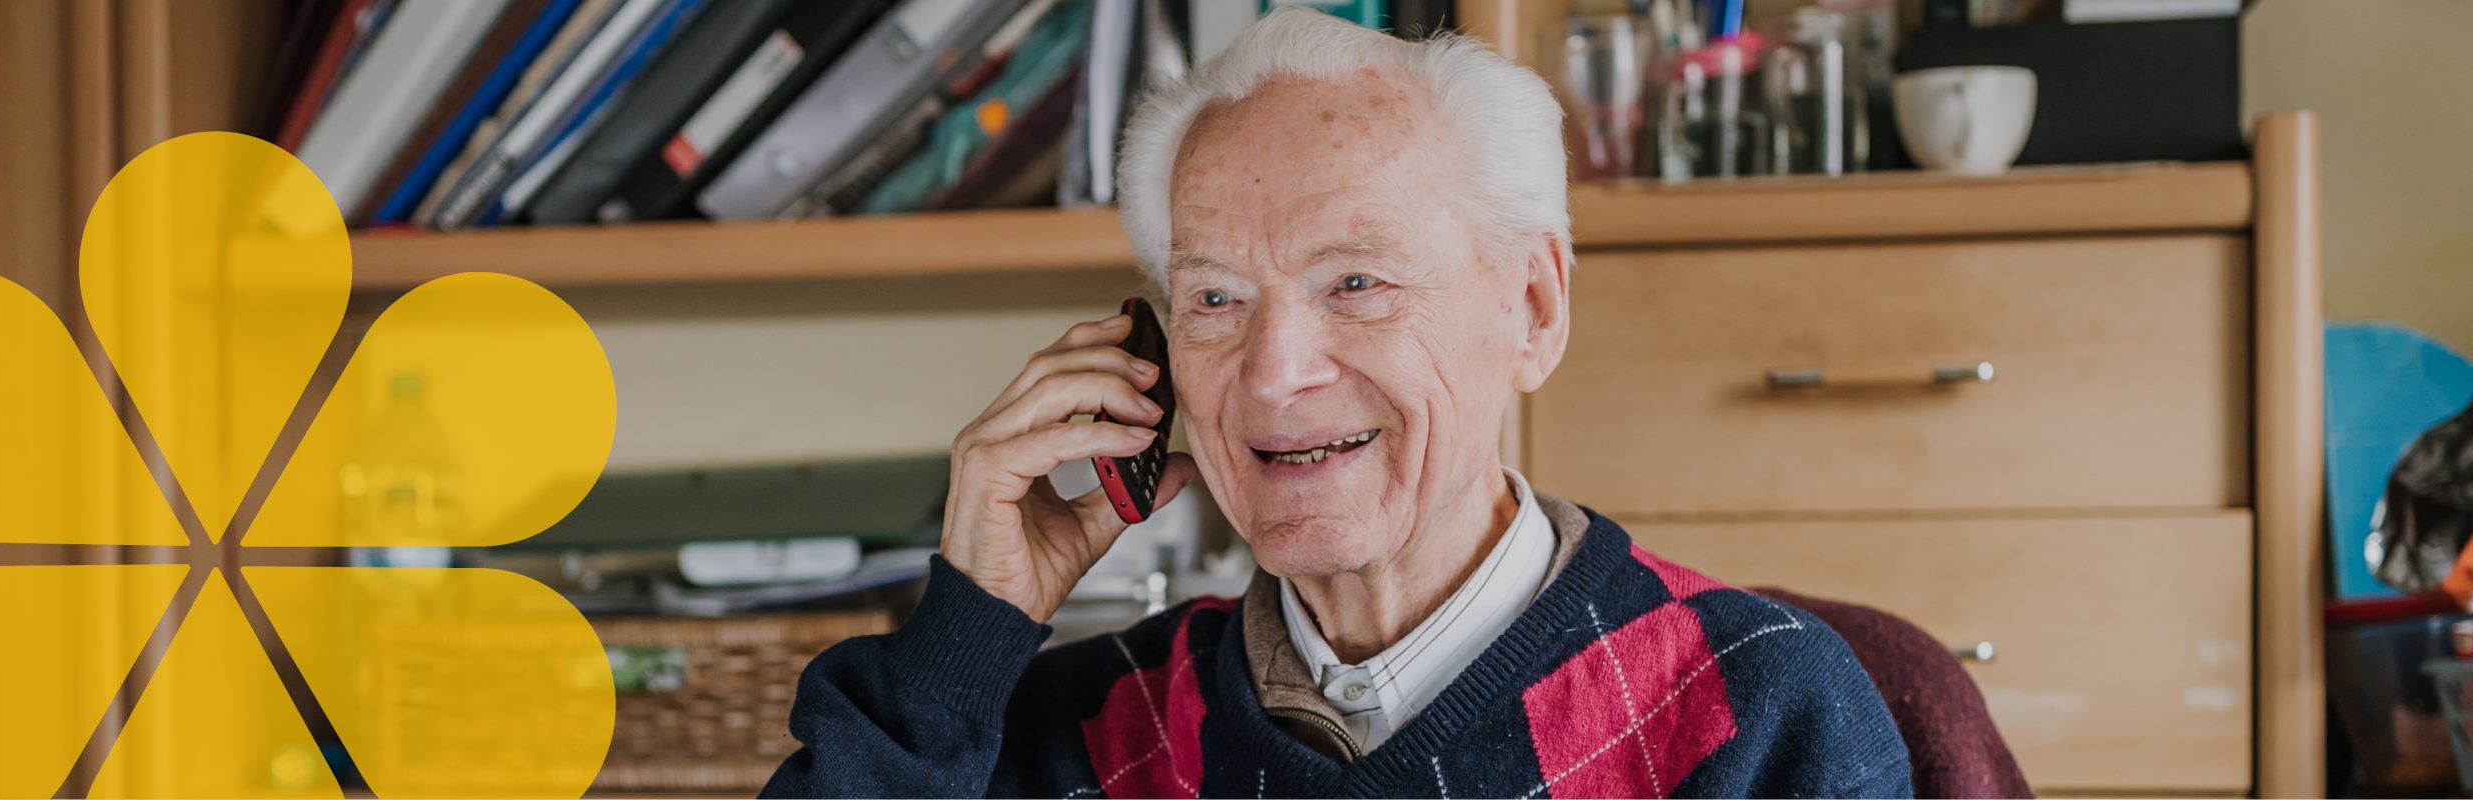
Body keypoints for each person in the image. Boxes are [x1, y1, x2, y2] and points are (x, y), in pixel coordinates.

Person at [763, 8, 1910, 798]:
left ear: (1532, 309)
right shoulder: (1078, 730)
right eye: (1214, 298)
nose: (1271, 373)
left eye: (1354, 282)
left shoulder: (1758, 704)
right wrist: (969, 628)